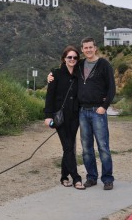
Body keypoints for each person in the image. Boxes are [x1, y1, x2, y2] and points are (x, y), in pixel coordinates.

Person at [48, 37, 116, 190]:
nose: (88, 50)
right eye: (85, 48)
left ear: (95, 48)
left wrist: (104, 106)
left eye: (90, 47)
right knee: (86, 149)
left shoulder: (104, 64)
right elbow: (65, 68)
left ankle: (107, 179)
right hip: (82, 112)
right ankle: (91, 177)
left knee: (103, 147)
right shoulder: (80, 65)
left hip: (98, 111)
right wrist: (51, 76)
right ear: (83, 50)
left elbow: (111, 88)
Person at [44, 45, 85, 190]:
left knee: (68, 147)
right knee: (68, 146)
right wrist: (48, 116)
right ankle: (76, 178)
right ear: (64, 59)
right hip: (59, 117)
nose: (72, 59)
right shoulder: (55, 74)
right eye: (69, 57)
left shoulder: (80, 74)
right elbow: (50, 96)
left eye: (75, 57)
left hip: (75, 116)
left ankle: (63, 177)